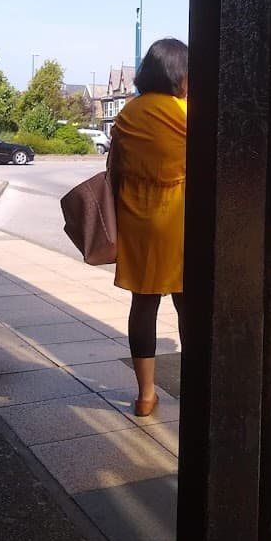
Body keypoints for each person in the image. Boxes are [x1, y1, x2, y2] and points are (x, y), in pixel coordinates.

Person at [110, 38, 189, 417]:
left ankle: (145, 395)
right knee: (188, 303)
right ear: (180, 74)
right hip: (178, 219)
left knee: (143, 304)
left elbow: (117, 167)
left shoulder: (128, 114)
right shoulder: (185, 112)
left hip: (136, 220)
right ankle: (195, 384)